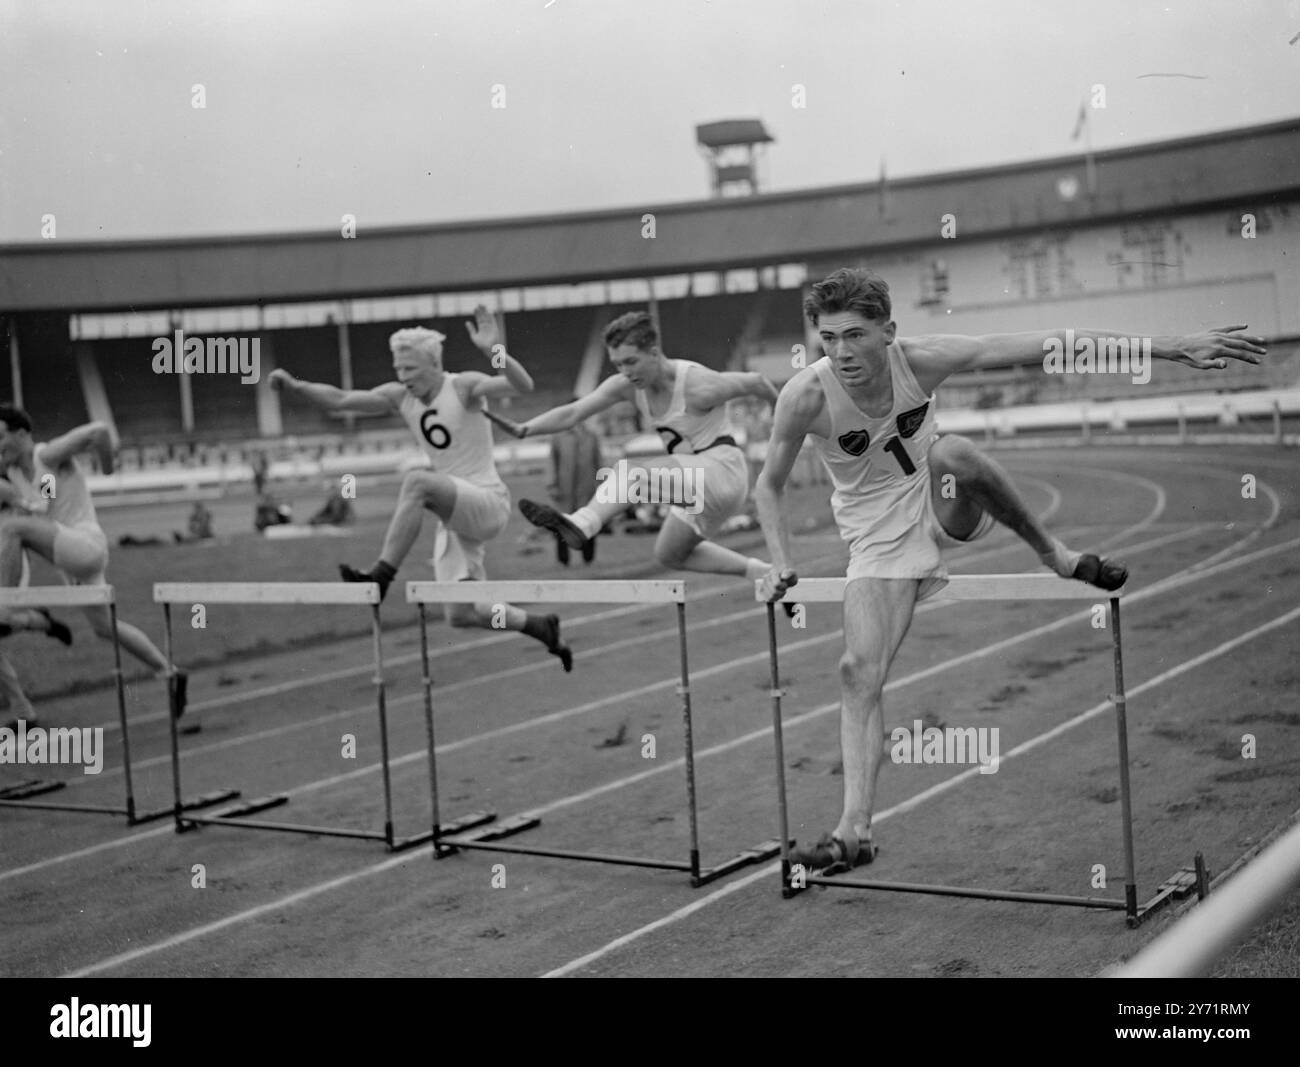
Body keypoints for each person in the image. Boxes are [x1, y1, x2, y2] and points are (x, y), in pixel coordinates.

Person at [755, 267, 1267, 874]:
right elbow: (768, 485)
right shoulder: (805, 397)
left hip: (942, 504)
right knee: (854, 673)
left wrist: (1169, 346)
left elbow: (1054, 343)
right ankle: (854, 830)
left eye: (856, 336)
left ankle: (1054, 553)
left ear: (888, 332)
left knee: (953, 453)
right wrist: (781, 558)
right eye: (829, 337)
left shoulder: (922, 361)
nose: (842, 352)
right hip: (874, 540)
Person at [268, 306, 573, 671]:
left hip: (487, 501)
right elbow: (341, 400)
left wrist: (494, 350)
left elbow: (522, 385)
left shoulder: (463, 386)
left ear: (433, 363)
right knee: (460, 614)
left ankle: (380, 576)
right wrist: (294, 386)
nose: (403, 376)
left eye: (410, 369)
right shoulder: (401, 397)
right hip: (456, 512)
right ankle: (541, 627)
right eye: (398, 368)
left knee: (416, 482)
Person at [514, 311, 782, 584]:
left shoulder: (698, 385)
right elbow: (573, 413)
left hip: (722, 471)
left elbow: (757, 382)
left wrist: (778, 420)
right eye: (618, 364)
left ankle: (582, 524)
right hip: (694, 483)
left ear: (654, 353)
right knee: (670, 554)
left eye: (631, 362)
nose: (626, 373)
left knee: (632, 475)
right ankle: (762, 573)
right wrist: (526, 428)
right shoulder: (626, 386)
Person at [0, 408, 191, 727]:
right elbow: (44, 501)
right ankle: (169, 671)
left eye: (1, 435)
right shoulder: (15, 472)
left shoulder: (47, 454)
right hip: (71, 559)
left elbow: (100, 431)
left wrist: (107, 467)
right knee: (105, 628)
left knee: (11, 529)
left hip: (85, 545)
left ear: (21, 434)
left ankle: (6, 606)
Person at [547, 407, 604, 565]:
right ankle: (563, 559)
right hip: (565, 489)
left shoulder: (591, 436)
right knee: (563, 524)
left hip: (587, 488)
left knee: (588, 521)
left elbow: (598, 461)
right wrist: (552, 485)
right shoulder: (559, 437)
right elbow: (553, 462)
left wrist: (603, 484)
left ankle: (588, 557)